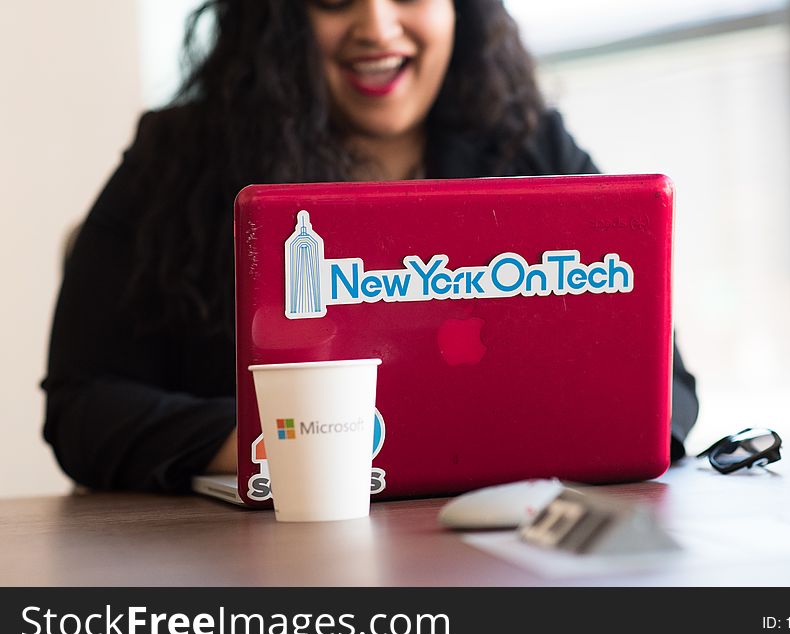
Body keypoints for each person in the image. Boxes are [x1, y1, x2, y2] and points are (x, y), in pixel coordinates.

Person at [42, 0, 699, 493]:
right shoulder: (175, 161)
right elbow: (82, 404)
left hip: (490, 549)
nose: (377, 27)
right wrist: (269, 441)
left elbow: (665, 393)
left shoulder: (528, 144)